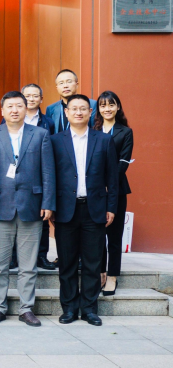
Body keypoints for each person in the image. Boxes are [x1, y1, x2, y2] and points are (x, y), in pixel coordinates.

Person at [0, 91, 55, 327]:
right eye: (10, 106)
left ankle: (26, 309)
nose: (14, 110)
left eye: (19, 106)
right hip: (1, 205)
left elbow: (48, 172)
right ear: (2, 110)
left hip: (32, 205)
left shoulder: (40, 134)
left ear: (26, 109)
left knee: (28, 264)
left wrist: (48, 203)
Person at [50, 94, 118, 326]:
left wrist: (111, 207)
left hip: (95, 209)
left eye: (83, 108)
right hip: (65, 209)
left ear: (91, 113)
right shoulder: (55, 141)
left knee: (92, 262)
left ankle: (89, 309)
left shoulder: (104, 140)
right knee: (67, 262)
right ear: (66, 113)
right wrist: (50, 206)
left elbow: (112, 178)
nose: (78, 112)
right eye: (74, 109)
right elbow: (50, 176)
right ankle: (69, 308)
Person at [4, 84, 56, 271]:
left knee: (40, 222)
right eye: (28, 95)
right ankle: (13, 257)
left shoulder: (47, 122)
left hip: (35, 178)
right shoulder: (8, 120)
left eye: (35, 96)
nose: (31, 99)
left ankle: (41, 256)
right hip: (13, 181)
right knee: (12, 219)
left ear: (41, 99)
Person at [94, 90, 133, 297]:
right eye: (103, 105)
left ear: (118, 107)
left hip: (116, 189)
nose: (107, 109)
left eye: (111, 105)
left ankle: (112, 276)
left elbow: (123, 163)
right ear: (98, 109)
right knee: (97, 234)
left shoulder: (125, 132)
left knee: (115, 236)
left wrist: (108, 184)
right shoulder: (93, 129)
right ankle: (100, 272)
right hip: (94, 190)